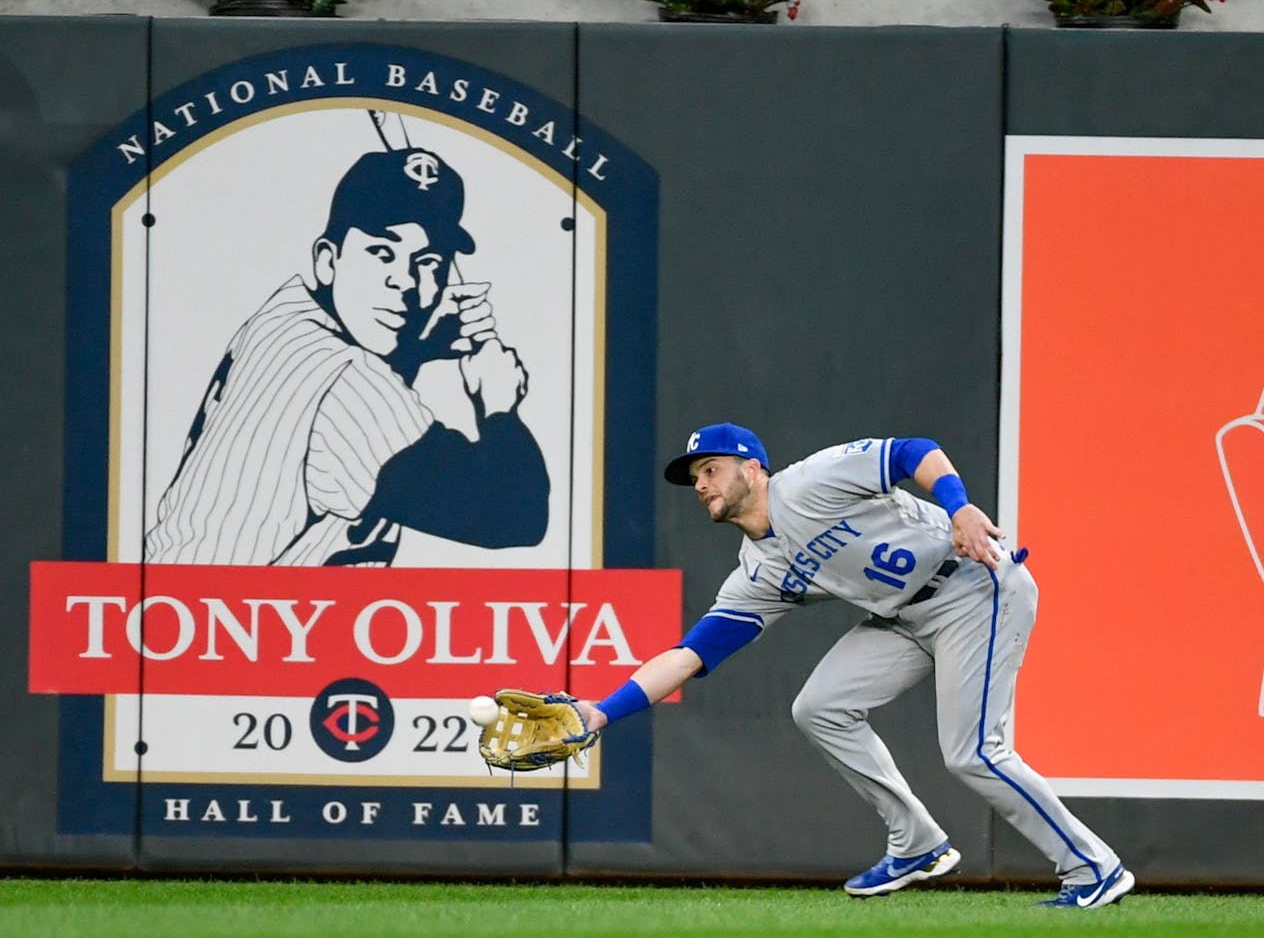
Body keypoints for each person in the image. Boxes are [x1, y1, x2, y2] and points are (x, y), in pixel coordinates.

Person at [574, 422, 1133, 907]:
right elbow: (688, 656)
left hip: (975, 586)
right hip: (906, 616)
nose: (700, 485)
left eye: (711, 469)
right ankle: (916, 843)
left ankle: (1093, 868)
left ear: (752, 468)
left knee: (974, 752)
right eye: (694, 478)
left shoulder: (807, 483)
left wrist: (959, 506)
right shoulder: (759, 572)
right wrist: (601, 713)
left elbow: (915, 451)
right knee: (819, 708)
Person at [145, 147, 548, 565]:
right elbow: (513, 518)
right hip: (230, 623)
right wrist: (499, 406)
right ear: (328, 260)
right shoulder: (348, 380)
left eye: (428, 262)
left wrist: (417, 348)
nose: (405, 283)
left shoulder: (281, 320)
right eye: (382, 253)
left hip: (189, 607)